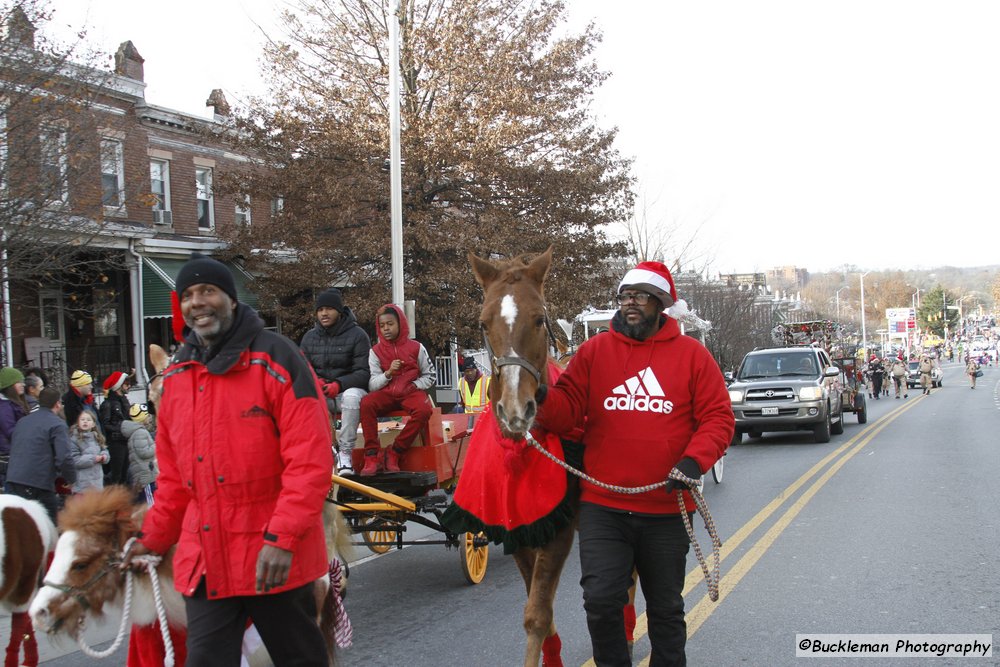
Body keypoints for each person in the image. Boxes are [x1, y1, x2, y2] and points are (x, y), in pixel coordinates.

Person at [122, 253, 333, 666]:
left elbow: (309, 462)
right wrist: (150, 538)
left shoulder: (278, 358)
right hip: (207, 561)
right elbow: (173, 481)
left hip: (273, 559)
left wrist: (283, 539)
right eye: (188, 295)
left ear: (231, 300)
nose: (197, 302)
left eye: (208, 291)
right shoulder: (179, 376)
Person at [536, 261, 734, 666]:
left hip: (667, 507)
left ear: (661, 303)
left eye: (641, 297)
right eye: (626, 296)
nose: (630, 304)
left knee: (665, 607)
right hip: (603, 506)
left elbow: (718, 416)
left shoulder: (692, 356)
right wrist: (540, 396)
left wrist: (694, 463)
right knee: (601, 600)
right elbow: (567, 413)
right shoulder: (594, 352)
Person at [299, 287, 371, 476]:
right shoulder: (309, 338)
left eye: (329, 308)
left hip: (349, 393)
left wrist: (338, 384)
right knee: (303, 399)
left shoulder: (358, 335)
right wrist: (317, 382)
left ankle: (345, 454)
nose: (324, 313)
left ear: (339, 311)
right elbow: (303, 369)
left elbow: (364, 372)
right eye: (320, 309)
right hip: (322, 393)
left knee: (351, 397)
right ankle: (325, 452)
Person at [358, 304, 436, 477]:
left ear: (400, 323)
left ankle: (395, 452)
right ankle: (371, 455)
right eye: (382, 325)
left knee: (423, 411)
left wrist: (415, 385)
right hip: (386, 392)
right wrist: (388, 374)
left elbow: (430, 376)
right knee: (366, 403)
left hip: (410, 391)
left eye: (390, 324)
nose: (386, 328)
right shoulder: (375, 351)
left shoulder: (416, 347)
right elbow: (372, 384)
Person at [4, 387, 76, 522]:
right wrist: (71, 479)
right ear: (58, 404)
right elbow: (64, 458)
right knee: (51, 526)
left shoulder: (22, 421)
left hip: (13, 479)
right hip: (38, 484)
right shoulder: (57, 425)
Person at [98, 370, 132, 485]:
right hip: (115, 444)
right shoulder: (108, 404)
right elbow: (105, 424)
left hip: (125, 441)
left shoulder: (124, 401)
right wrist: (122, 428)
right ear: (118, 386)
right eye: (126, 384)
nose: (129, 386)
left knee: (124, 474)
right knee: (116, 476)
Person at [122, 403, 158, 505]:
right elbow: (144, 452)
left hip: (144, 472)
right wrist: (157, 445)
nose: (149, 417)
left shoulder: (138, 432)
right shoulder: (140, 433)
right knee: (149, 502)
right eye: (147, 415)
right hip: (145, 473)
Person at [0, 367, 29, 487]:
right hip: (9, 456)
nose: (23, 384)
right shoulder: (4, 407)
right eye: (19, 382)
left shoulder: (13, 403)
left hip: (15, 454)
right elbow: (11, 431)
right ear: (10, 385)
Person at [68, 409, 109, 493]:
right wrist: (94, 458)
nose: (85, 422)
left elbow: (105, 450)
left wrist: (105, 456)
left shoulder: (98, 438)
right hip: (82, 486)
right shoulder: (74, 439)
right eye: (82, 419)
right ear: (78, 422)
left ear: (93, 424)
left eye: (88, 420)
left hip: (97, 484)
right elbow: (75, 461)